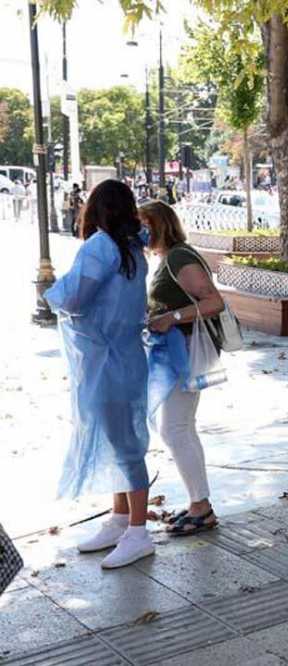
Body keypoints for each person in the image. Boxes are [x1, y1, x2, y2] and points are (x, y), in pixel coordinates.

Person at [44, 180, 154, 569]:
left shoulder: (100, 247)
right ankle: (122, 517)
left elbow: (72, 297)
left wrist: (50, 291)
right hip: (125, 356)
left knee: (124, 443)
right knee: (121, 437)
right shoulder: (133, 249)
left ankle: (138, 530)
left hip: (107, 361)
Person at [141, 201, 226, 535]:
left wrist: (171, 317)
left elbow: (213, 301)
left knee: (173, 429)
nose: (137, 231)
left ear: (158, 224)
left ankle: (202, 507)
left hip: (186, 351)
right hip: (177, 351)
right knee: (182, 427)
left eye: (142, 223)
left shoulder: (178, 256)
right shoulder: (167, 257)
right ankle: (198, 503)